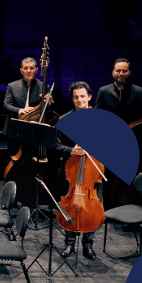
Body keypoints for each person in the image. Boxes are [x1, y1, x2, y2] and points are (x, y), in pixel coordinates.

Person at [54, 82, 100, 259]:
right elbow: (55, 145)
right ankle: (69, 243)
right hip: (69, 171)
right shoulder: (64, 119)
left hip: (93, 172)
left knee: (91, 207)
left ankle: (88, 245)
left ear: (89, 97)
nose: (79, 100)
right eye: (76, 97)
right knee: (70, 206)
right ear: (72, 99)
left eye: (82, 96)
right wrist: (71, 151)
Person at [94, 58, 142, 124]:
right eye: (118, 71)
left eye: (124, 71)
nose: (121, 74)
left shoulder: (138, 91)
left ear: (130, 73)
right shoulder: (103, 91)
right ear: (113, 72)